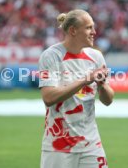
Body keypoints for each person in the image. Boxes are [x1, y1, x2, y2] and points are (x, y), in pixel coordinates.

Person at [38, 9, 114, 168]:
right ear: (72, 30)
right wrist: (86, 79)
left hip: (91, 144)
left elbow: (108, 100)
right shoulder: (51, 56)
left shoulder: (96, 57)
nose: (94, 32)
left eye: (93, 27)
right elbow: (49, 97)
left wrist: (102, 85)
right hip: (59, 146)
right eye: (88, 28)